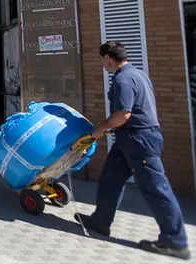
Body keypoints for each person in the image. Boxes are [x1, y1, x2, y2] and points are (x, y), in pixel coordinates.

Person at [75, 41, 190, 260]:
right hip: (128, 139)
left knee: (155, 188)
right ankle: (101, 221)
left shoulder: (122, 79)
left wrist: (100, 128)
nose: (102, 65)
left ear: (108, 58)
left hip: (139, 140)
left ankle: (175, 241)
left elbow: (123, 114)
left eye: (102, 60)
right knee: (110, 178)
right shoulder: (138, 74)